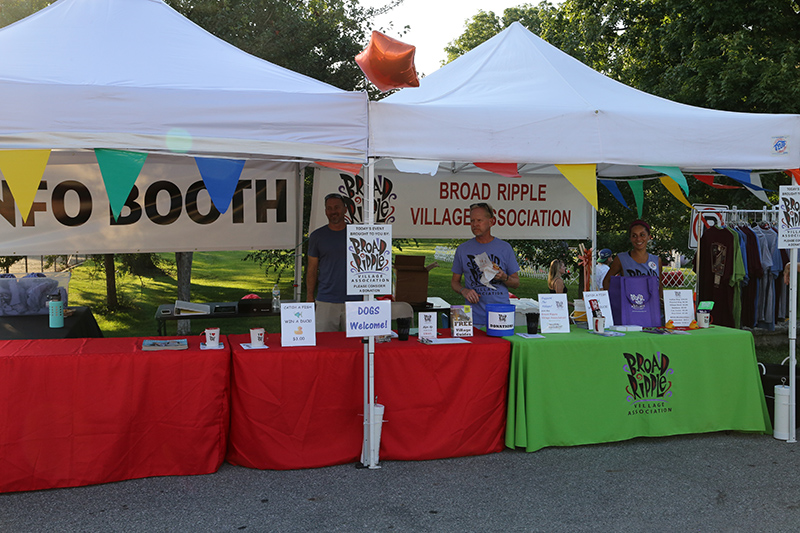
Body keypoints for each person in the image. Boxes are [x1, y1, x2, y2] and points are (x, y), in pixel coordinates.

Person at [451, 202, 520, 326]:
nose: (475, 225)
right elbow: (454, 282)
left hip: (501, 317)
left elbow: (516, 283)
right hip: (473, 318)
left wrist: (504, 277)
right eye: (472, 221)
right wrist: (464, 291)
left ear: (491, 222)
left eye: (479, 220)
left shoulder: (505, 248)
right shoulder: (462, 249)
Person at [306, 193, 361, 332]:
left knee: (356, 347)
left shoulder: (359, 234)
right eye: (329, 208)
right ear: (325, 211)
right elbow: (312, 269)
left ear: (345, 209)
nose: (333, 211)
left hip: (356, 301)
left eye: (337, 207)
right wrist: (309, 297)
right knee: (325, 347)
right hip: (326, 300)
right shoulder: (317, 236)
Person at [602, 219, 662, 290]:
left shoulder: (657, 260)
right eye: (634, 236)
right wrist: (614, 298)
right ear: (630, 238)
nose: (638, 239)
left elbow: (660, 285)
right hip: (629, 300)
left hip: (652, 301)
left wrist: (659, 300)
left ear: (649, 237)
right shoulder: (621, 259)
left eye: (642, 235)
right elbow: (607, 281)